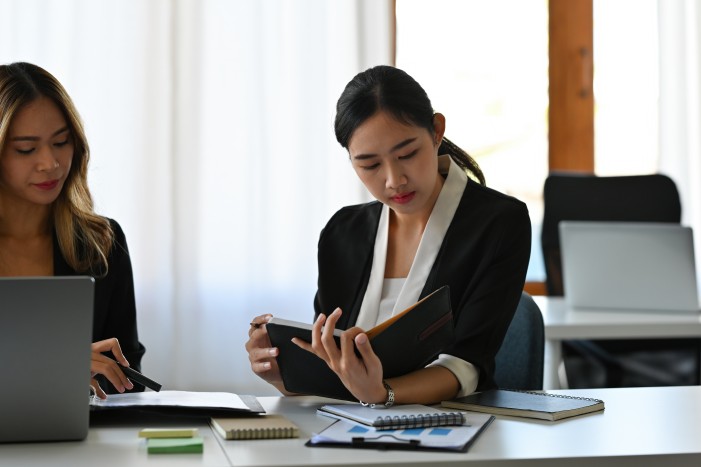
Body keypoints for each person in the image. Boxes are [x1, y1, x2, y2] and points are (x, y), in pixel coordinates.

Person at [247, 65, 531, 405]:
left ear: (437, 131)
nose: (394, 180)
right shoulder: (342, 233)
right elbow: (333, 365)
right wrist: (284, 374)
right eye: (370, 165)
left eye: (407, 154)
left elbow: (466, 364)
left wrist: (383, 394)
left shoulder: (499, 224)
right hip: (347, 423)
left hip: (454, 423)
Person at [0, 62, 145, 399]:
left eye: (61, 141)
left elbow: (129, 382)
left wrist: (90, 378)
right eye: (26, 149)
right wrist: (53, 369)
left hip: (78, 432)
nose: (50, 163)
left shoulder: (102, 243)